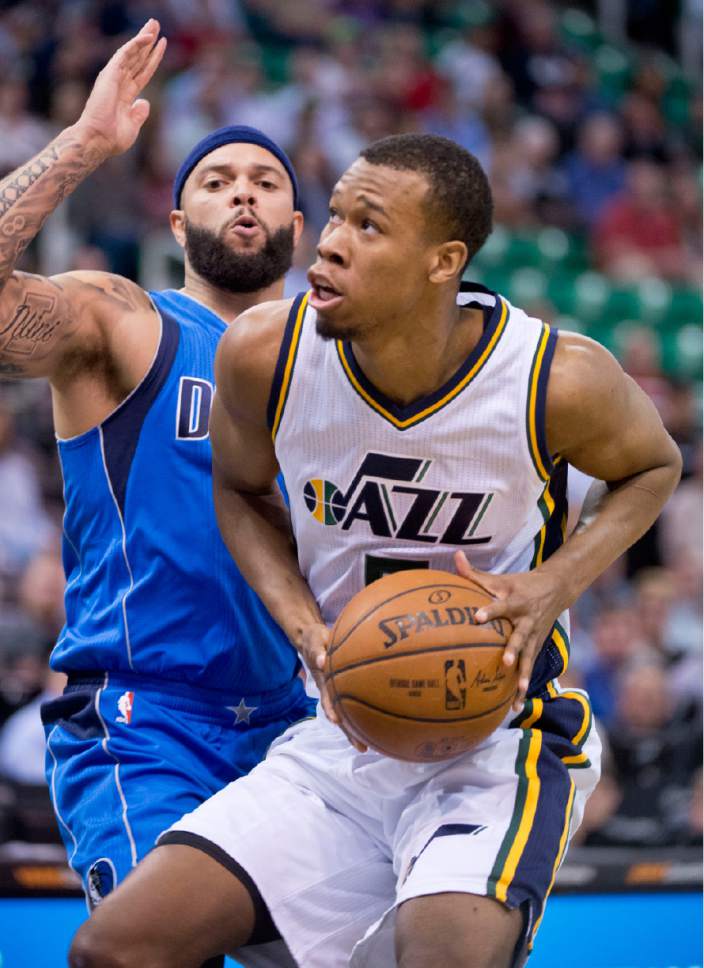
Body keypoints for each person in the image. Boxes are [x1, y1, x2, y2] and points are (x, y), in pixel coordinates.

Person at [69, 133, 682, 968]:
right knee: (118, 949)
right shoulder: (266, 355)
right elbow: (239, 493)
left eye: (369, 225)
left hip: (499, 740)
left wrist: (555, 581)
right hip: (342, 734)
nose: (328, 242)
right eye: (333, 216)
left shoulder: (551, 378)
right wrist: (304, 631)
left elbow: (653, 466)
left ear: (443, 261)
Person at [0, 19, 314, 924]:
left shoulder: (333, 374)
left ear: (299, 227)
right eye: (217, 183)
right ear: (178, 222)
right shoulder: (128, 322)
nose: (243, 196)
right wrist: (85, 143)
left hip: (295, 725)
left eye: (265, 184)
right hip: (148, 723)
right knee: (150, 946)